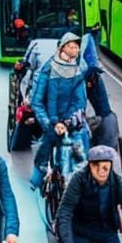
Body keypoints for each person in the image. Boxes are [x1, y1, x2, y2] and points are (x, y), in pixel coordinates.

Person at [29, 32, 90, 188]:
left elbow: (79, 101)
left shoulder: (79, 70)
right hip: (50, 121)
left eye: (77, 47)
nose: (75, 50)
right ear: (63, 48)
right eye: (71, 46)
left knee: (83, 143)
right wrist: (50, 124)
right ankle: (38, 177)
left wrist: (67, 122)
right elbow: (37, 102)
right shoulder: (47, 70)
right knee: (49, 142)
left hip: (71, 120)